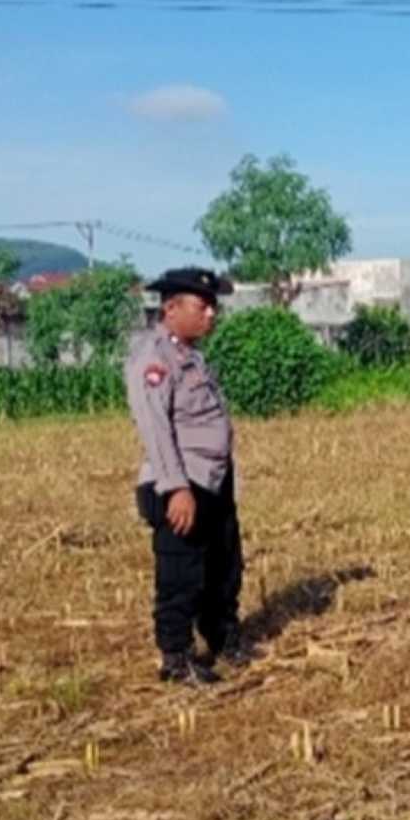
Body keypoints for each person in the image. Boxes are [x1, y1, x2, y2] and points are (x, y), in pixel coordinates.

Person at [125, 267, 253, 686]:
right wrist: (177, 488)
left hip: (212, 479)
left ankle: (222, 637)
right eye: (202, 306)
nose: (211, 314)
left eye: (213, 306)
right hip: (182, 482)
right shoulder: (154, 360)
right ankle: (176, 658)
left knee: (224, 566)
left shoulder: (191, 356)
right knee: (182, 574)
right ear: (171, 308)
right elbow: (156, 431)